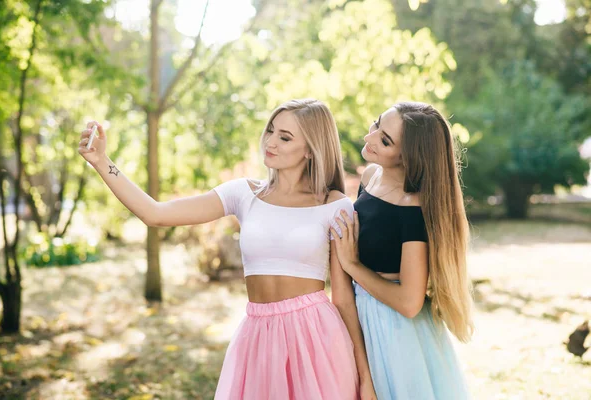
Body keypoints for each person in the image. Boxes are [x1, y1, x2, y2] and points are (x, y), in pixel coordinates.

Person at [78, 99, 376, 399]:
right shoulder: (243, 194)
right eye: (270, 131)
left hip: (316, 338)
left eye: (285, 137)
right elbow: (155, 214)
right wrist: (102, 162)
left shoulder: (335, 205)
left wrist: (365, 376)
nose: (270, 142)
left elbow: (343, 298)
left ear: (310, 149)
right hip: (257, 336)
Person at [331, 101, 473, 399]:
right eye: (376, 124)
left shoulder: (413, 206)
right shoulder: (371, 177)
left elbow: (409, 301)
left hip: (394, 330)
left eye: (385, 140)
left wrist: (353, 265)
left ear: (409, 157)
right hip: (359, 314)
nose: (369, 138)